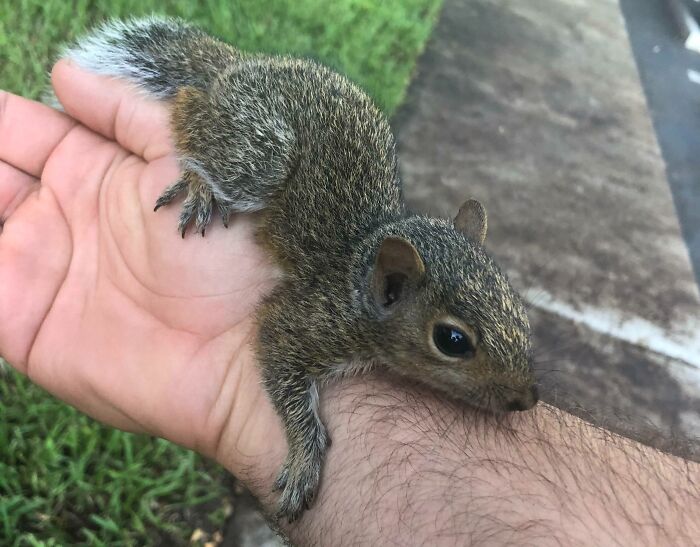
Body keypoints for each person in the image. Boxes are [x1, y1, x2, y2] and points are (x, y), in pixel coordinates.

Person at [0, 60, 697, 546]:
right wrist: (306, 438)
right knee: (255, 170)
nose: (518, 398)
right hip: (270, 117)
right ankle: (208, 163)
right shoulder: (347, 312)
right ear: (390, 289)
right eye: (452, 342)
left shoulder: (388, 303)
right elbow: (279, 344)